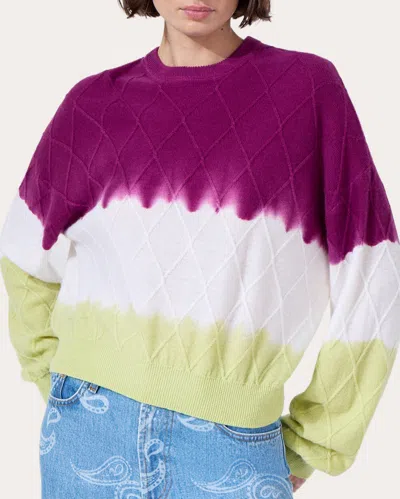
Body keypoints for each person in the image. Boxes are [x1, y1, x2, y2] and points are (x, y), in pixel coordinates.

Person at [1, 1, 399, 497]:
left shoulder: (306, 91)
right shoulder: (92, 105)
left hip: (230, 447)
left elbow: (374, 270)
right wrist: (58, 380)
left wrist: (320, 436)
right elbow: (22, 255)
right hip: (86, 432)